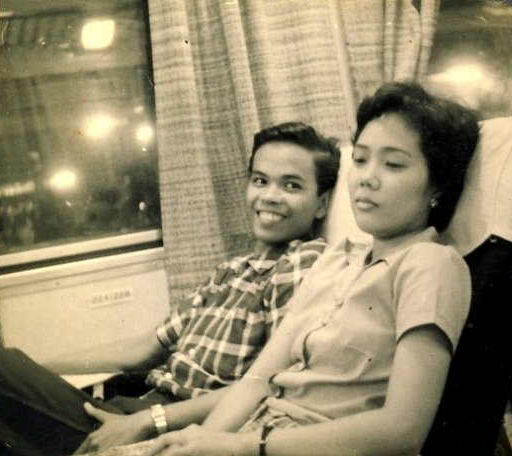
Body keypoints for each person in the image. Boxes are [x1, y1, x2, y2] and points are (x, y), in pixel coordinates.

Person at [140, 81, 480, 456]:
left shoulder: (429, 264)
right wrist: (202, 444)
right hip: (256, 432)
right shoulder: (337, 259)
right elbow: (256, 381)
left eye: (393, 164)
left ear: (438, 186)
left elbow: (403, 430)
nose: (367, 177)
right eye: (360, 160)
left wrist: (243, 447)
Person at [0, 122, 341, 456]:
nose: (269, 196)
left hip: (175, 428)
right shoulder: (231, 272)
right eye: (260, 180)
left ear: (322, 204)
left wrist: (151, 421)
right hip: (136, 407)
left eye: (291, 186)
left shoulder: (303, 263)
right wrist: (36, 366)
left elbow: (270, 382)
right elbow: (144, 348)